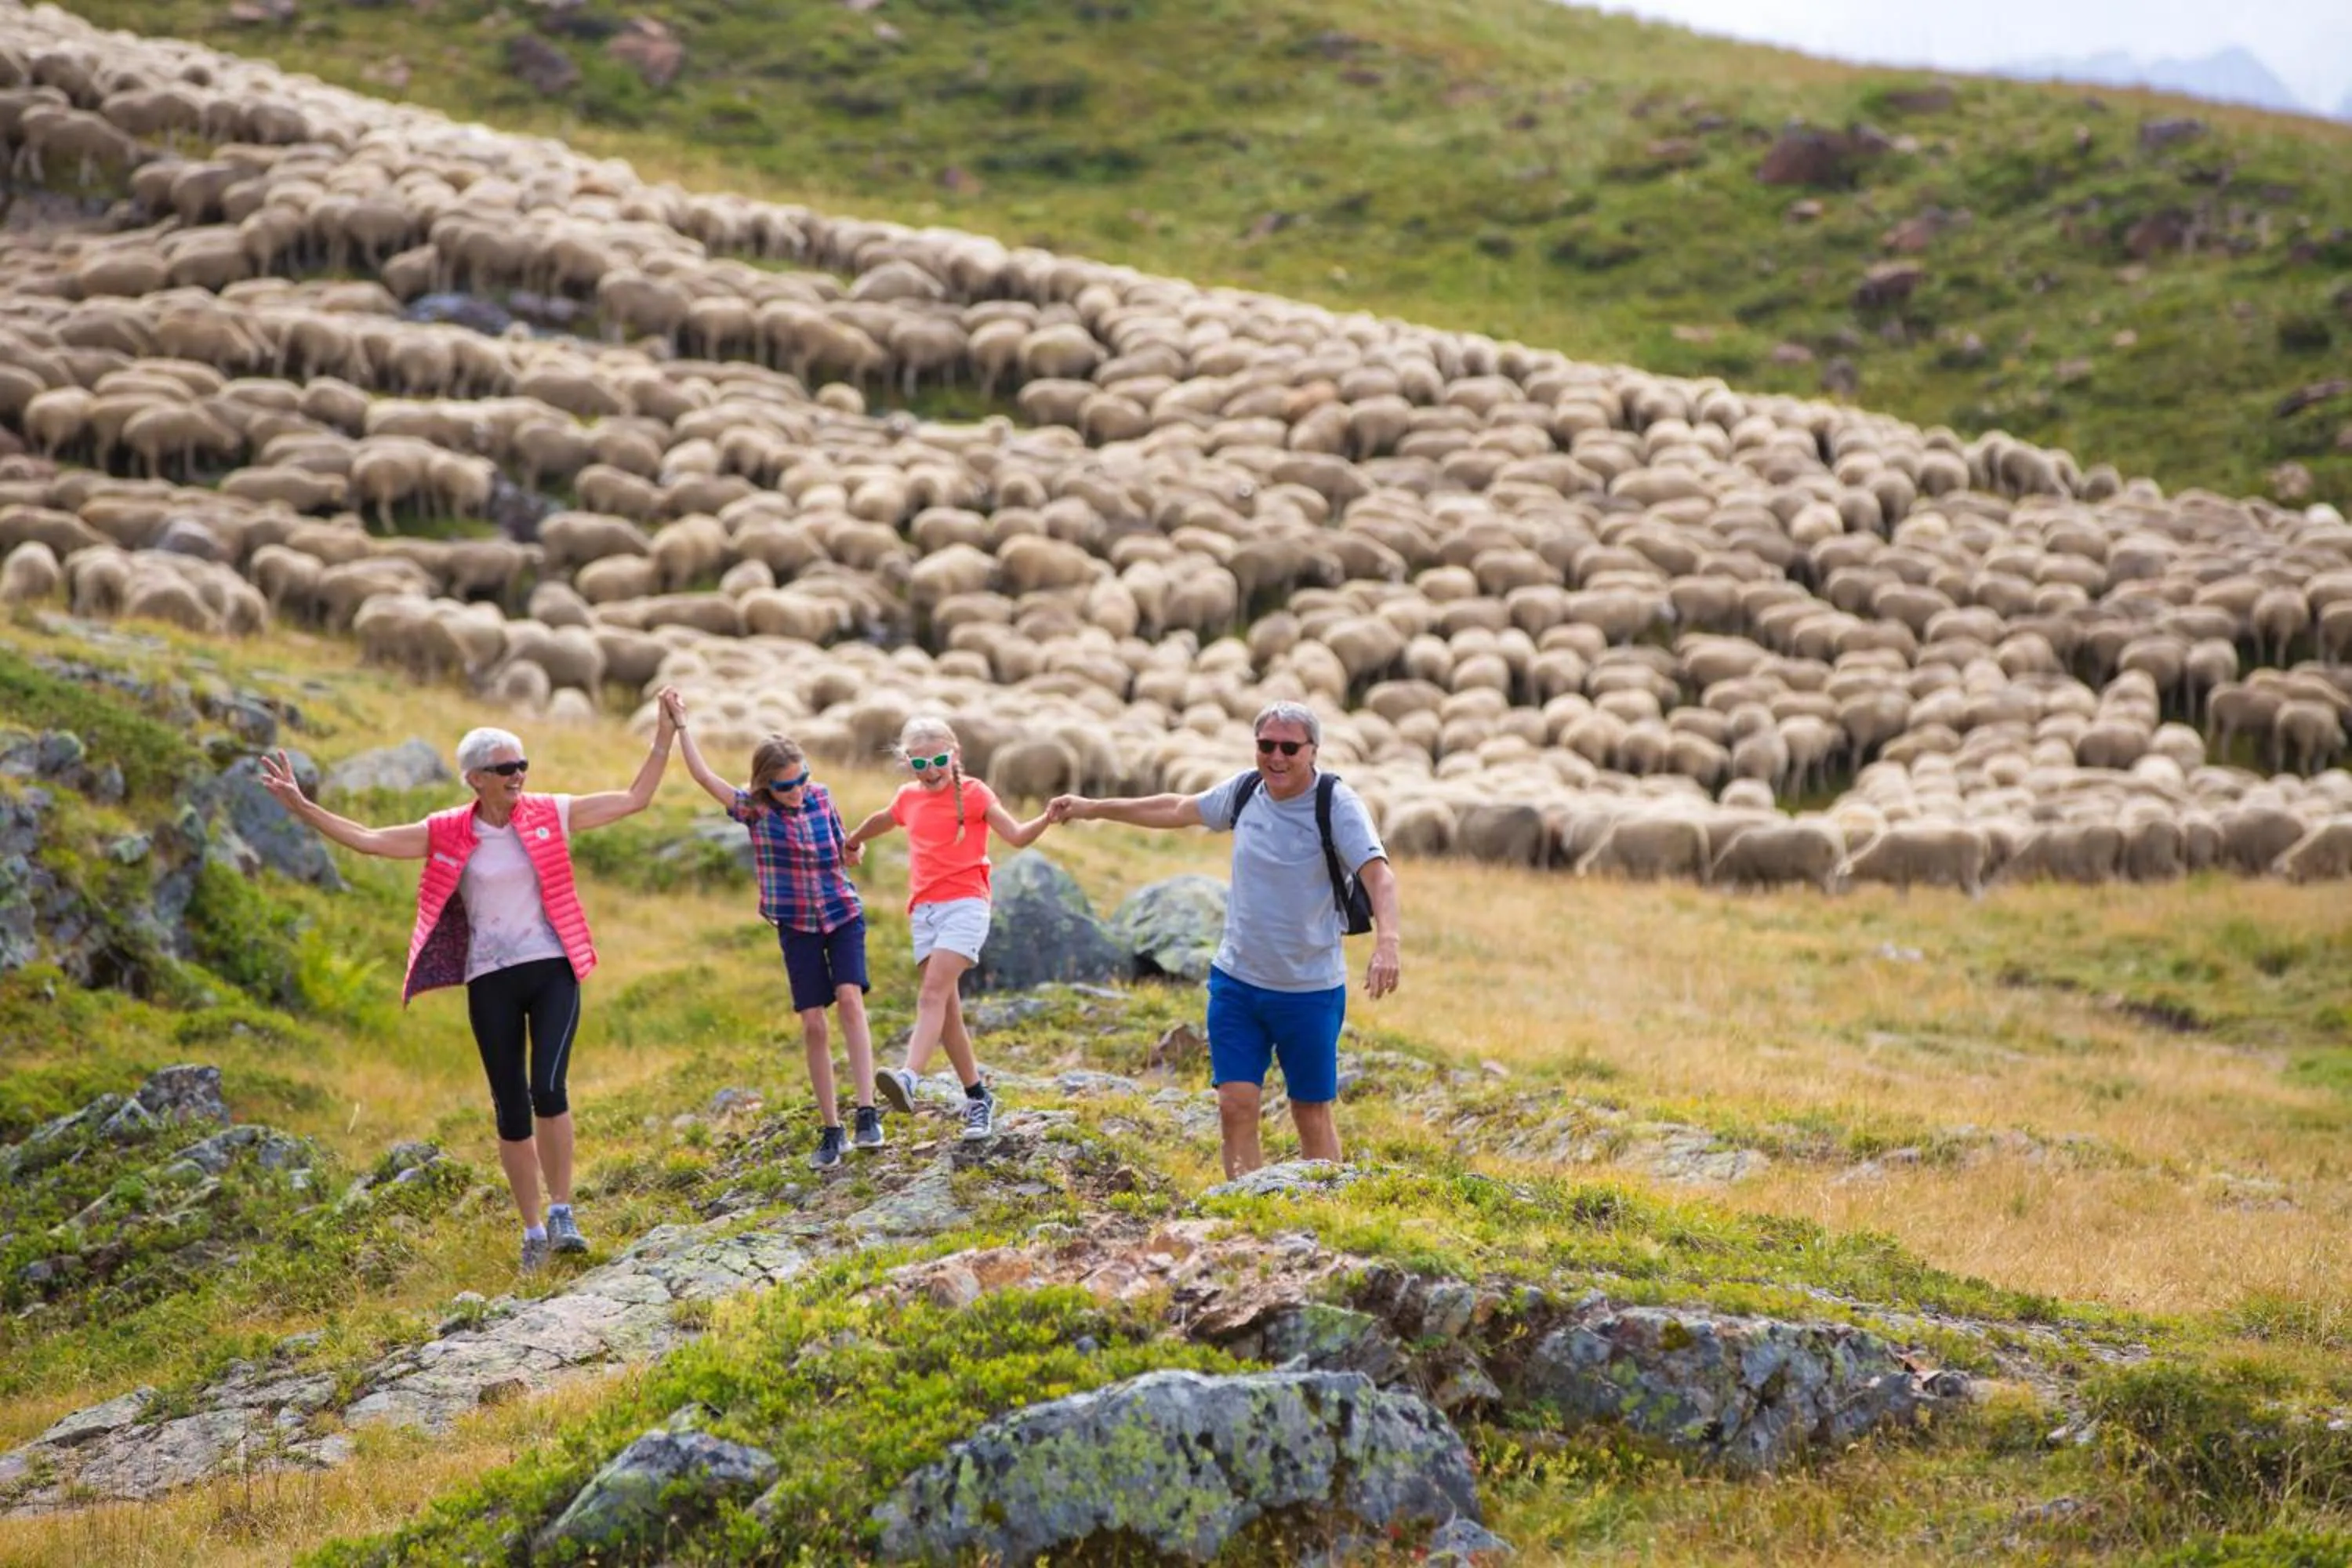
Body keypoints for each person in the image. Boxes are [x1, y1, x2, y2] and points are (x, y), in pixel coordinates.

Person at [257, 693, 682, 1270]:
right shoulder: (447, 830)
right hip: (490, 980)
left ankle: (563, 1213)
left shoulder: (550, 812)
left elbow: (635, 799)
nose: (519, 775)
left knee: (548, 1089)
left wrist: (664, 735)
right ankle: (533, 1232)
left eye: (522, 765)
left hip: (552, 968)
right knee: (510, 1108)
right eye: (506, 768)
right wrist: (303, 807)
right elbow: (370, 839)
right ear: (475, 778)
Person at [1047, 700, 1401, 1178]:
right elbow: (1176, 808)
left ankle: (1323, 1204)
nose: (1276, 757)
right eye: (1266, 745)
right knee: (1235, 1104)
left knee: (1309, 1111)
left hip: (1309, 989)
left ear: (1313, 751)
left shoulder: (1337, 804)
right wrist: (1093, 808)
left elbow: (1379, 876)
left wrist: (1387, 944)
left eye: (1289, 748)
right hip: (1237, 982)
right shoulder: (1245, 791)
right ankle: (1245, 1206)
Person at [662, 690, 879, 1171]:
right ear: (766, 786)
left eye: (803, 779)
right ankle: (832, 1128)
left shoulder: (822, 797)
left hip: (842, 911)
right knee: (813, 1023)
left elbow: (844, 849)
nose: (798, 790)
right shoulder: (754, 811)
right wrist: (681, 726)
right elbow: (703, 776)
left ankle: (867, 1112)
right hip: (797, 924)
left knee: (849, 999)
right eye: (786, 786)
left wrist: (854, 852)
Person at [840, 714, 1054, 1141]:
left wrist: (1047, 817)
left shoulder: (974, 794)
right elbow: (885, 818)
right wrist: (853, 840)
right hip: (925, 912)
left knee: (931, 995)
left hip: (966, 906)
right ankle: (978, 1098)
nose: (931, 770)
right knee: (947, 1012)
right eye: (920, 763)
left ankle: (909, 1077)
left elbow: (1015, 835)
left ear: (955, 755)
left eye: (939, 760)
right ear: (908, 763)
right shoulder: (908, 797)